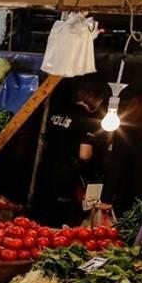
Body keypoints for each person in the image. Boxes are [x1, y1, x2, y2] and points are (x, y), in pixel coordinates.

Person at [33, 82, 106, 227]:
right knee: (55, 220)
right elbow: (84, 154)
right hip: (64, 175)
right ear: (93, 98)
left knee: (39, 213)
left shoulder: (58, 110)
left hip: (45, 168)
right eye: (100, 100)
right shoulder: (88, 119)